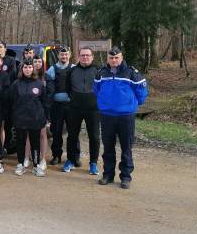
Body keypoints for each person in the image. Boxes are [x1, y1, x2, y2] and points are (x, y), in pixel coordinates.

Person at [94, 47, 148, 189]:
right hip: (107, 116)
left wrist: (131, 105)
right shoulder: (101, 73)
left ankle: (125, 177)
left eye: (116, 57)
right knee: (108, 147)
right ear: (108, 59)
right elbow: (96, 90)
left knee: (126, 147)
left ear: (121, 58)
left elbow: (141, 92)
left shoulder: (131, 73)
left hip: (125, 116)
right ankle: (108, 175)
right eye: (111, 58)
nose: (114, 60)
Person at [9, 58, 50, 177]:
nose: (28, 69)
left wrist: (44, 117)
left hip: (35, 119)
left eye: (30, 67)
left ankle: (36, 165)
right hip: (20, 118)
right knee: (20, 142)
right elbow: (11, 100)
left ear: (33, 69)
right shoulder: (16, 84)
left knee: (35, 143)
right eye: (25, 67)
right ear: (22, 69)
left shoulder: (39, 83)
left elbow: (45, 102)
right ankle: (20, 164)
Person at [65, 47, 100, 175]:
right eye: (82, 55)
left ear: (92, 57)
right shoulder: (72, 70)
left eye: (87, 55)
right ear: (78, 57)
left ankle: (93, 163)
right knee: (72, 136)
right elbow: (67, 87)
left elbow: (102, 88)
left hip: (93, 109)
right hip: (75, 108)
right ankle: (70, 160)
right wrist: (73, 98)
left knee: (94, 137)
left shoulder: (98, 71)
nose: (85, 57)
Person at [45, 46, 77, 169]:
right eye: (61, 55)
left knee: (73, 132)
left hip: (71, 106)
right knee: (56, 132)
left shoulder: (74, 69)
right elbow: (49, 89)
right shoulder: (52, 70)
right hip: (56, 106)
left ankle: (74, 157)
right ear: (58, 56)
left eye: (66, 54)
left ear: (69, 55)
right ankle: (56, 155)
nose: (64, 57)